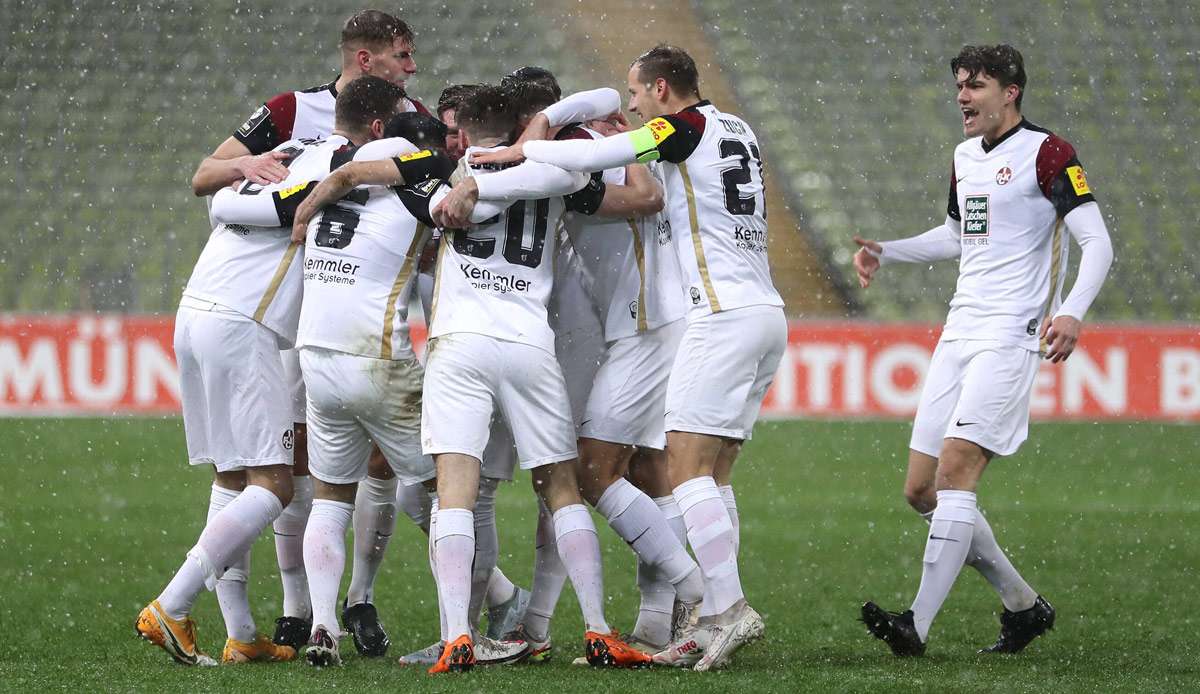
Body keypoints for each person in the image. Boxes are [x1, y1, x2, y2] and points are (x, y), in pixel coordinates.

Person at [473, 44, 786, 671]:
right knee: (685, 471)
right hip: (755, 309)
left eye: (641, 92)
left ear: (664, 89)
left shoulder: (667, 131)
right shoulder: (735, 127)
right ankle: (671, 620)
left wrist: (522, 146)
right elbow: (613, 113)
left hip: (681, 318)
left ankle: (714, 603)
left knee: (632, 467)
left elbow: (603, 149)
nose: (632, 104)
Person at [134, 76, 406, 667]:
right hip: (244, 324)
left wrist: (249, 175)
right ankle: (172, 605)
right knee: (276, 485)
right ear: (381, 129)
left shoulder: (284, 154)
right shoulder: (352, 167)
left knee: (232, 477)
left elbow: (215, 200)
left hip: (195, 312)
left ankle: (240, 634)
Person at [182, 9, 429, 657]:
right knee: (294, 470)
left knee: (358, 465)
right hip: (293, 318)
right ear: (367, 59)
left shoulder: (409, 114)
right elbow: (205, 176)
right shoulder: (294, 111)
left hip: (345, 307)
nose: (413, 68)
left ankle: (357, 600)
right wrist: (256, 166)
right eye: (403, 55)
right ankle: (296, 610)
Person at [853, 44, 1113, 657]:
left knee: (956, 474)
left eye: (976, 85)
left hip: (1010, 336)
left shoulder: (1049, 153)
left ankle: (915, 623)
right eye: (959, 85)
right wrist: (885, 250)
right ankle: (1023, 607)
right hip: (959, 332)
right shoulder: (965, 157)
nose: (963, 97)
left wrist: (1072, 309)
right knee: (921, 491)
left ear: (1011, 91)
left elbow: (1096, 241)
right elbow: (955, 237)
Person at [417, 83, 653, 673]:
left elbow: (442, 209)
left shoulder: (447, 175)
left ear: (464, 134)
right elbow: (585, 130)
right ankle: (599, 629)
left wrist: (474, 179)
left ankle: (456, 635)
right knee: (561, 487)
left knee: (457, 490)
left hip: (462, 344)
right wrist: (538, 138)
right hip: (529, 343)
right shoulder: (552, 171)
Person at [473, 72, 703, 658]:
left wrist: (545, 130)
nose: (616, 115)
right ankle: (659, 622)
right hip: (638, 323)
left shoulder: (571, 158)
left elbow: (642, 183)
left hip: (646, 325)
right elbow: (612, 122)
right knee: (639, 471)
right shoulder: (568, 162)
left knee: (582, 473)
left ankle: (700, 597)